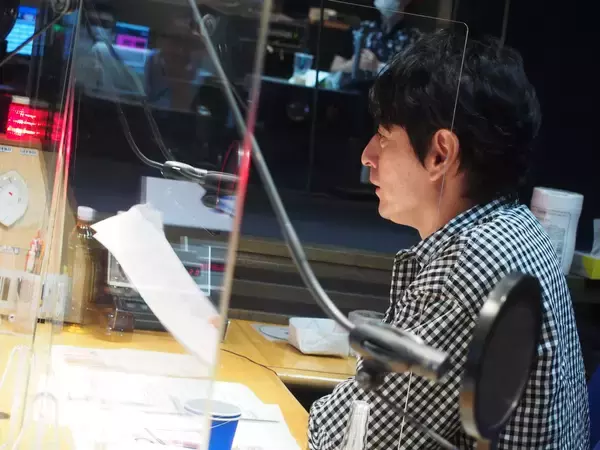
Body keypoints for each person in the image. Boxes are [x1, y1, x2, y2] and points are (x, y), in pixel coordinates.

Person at [308, 30, 590, 449]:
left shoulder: (470, 261)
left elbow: (345, 437)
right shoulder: (517, 227)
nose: (367, 155)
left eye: (383, 136)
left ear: (440, 154)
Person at [330, 0, 420, 75]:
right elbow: (334, 67)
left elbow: (412, 80)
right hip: (351, 89)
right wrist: (351, 66)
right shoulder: (360, 29)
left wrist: (378, 67)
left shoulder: (414, 38)